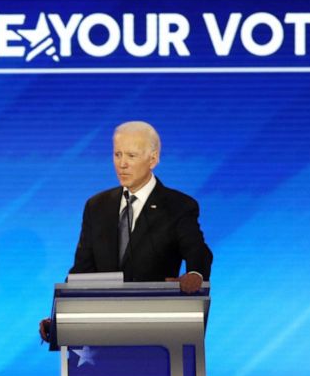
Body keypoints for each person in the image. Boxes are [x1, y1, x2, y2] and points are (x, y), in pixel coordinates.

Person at [40, 121, 213, 340]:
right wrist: (58, 318)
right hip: (102, 329)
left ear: (153, 159)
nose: (122, 164)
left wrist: (196, 275)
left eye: (131, 156)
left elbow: (198, 252)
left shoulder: (178, 206)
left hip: (157, 326)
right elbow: (82, 272)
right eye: (117, 154)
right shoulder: (97, 206)